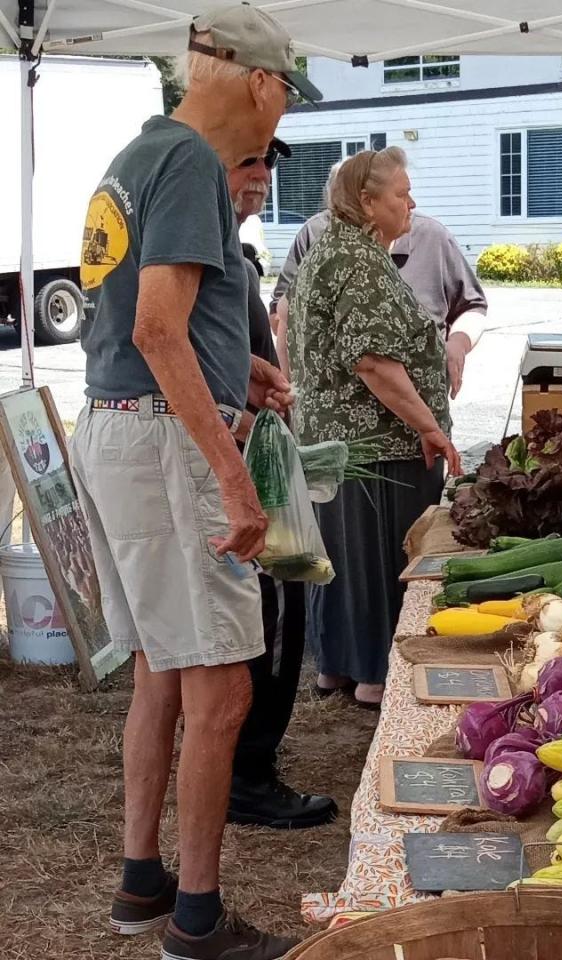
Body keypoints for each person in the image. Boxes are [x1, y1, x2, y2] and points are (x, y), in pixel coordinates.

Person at [71, 6, 322, 959]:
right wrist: (234, 473)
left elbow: (146, 324)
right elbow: (156, 327)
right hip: (169, 444)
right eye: (287, 90)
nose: (281, 113)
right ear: (261, 83)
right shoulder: (189, 163)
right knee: (221, 692)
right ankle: (198, 922)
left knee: (162, 673)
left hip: (115, 425)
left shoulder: (137, 156)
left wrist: (236, 365)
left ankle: (143, 883)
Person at [286, 148, 462, 708]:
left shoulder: (330, 250)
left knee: (340, 554)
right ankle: (374, 673)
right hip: (376, 448)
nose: (411, 203)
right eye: (400, 194)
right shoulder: (358, 260)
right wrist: (430, 426)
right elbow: (373, 363)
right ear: (367, 202)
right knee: (377, 558)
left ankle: (336, 665)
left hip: (335, 440)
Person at [225, 138, 338, 830]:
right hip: (236, 467)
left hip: (254, 453)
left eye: (269, 163)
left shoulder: (235, 259)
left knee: (272, 623)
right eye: (247, 161)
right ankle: (247, 774)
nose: (262, 175)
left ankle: (247, 766)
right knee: (264, 628)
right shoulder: (207, 262)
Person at [271, 163, 487, 399]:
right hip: (349, 420)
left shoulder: (433, 238)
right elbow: (282, 314)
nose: (411, 204)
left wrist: (458, 343)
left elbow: (472, 306)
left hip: (422, 411)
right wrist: (291, 390)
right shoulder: (318, 236)